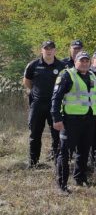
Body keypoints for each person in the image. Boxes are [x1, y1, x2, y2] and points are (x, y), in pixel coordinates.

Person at [51, 51, 96, 194]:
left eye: (87, 61)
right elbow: (56, 98)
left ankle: (80, 178)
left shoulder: (92, 75)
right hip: (70, 121)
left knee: (84, 151)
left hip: (89, 120)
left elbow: (94, 98)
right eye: (82, 61)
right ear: (75, 61)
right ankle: (62, 184)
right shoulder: (66, 75)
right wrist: (56, 118)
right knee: (65, 153)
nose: (85, 63)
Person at [23, 40, 65, 168]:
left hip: (55, 105)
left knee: (57, 134)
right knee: (35, 134)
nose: (49, 50)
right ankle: (33, 163)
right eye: (46, 48)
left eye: (51, 48)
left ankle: (57, 162)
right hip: (38, 104)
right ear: (42, 50)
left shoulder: (61, 66)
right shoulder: (33, 65)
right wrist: (36, 93)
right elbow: (27, 81)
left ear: (55, 50)